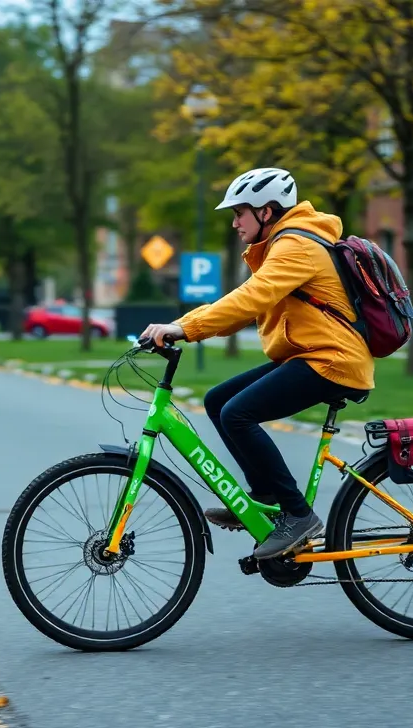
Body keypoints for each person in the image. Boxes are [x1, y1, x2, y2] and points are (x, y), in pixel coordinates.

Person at [139, 167, 375, 560]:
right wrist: (182, 327)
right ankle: (264, 495)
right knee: (218, 401)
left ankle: (298, 515)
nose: (234, 223)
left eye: (239, 213)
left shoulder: (296, 246)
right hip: (312, 355)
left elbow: (250, 298)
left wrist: (182, 327)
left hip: (332, 360)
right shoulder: (284, 243)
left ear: (267, 211)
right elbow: (243, 309)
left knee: (237, 414)